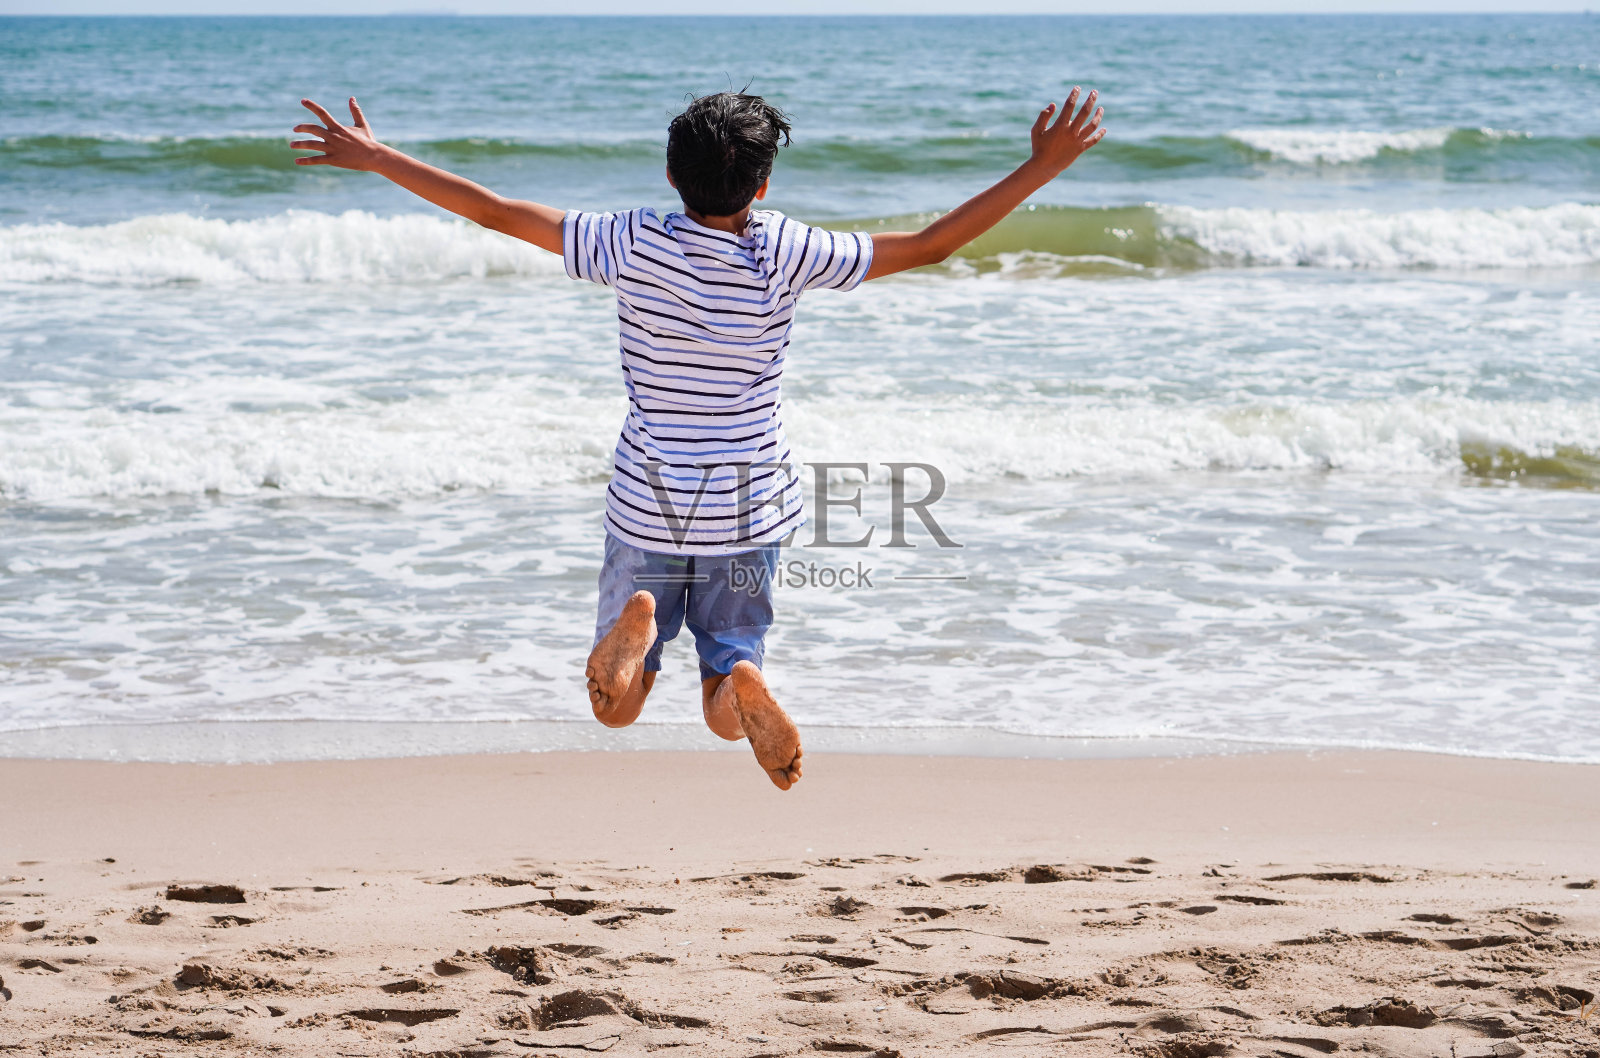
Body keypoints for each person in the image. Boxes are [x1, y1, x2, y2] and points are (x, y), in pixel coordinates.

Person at [291, 86, 1105, 790]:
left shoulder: (632, 240)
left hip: (648, 503)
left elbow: (498, 212)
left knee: (615, 710)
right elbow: (934, 244)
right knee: (724, 691)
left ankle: (638, 626)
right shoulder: (788, 248)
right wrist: (1043, 167)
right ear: (764, 180)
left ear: (672, 174)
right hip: (749, 507)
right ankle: (740, 675)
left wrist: (381, 156)